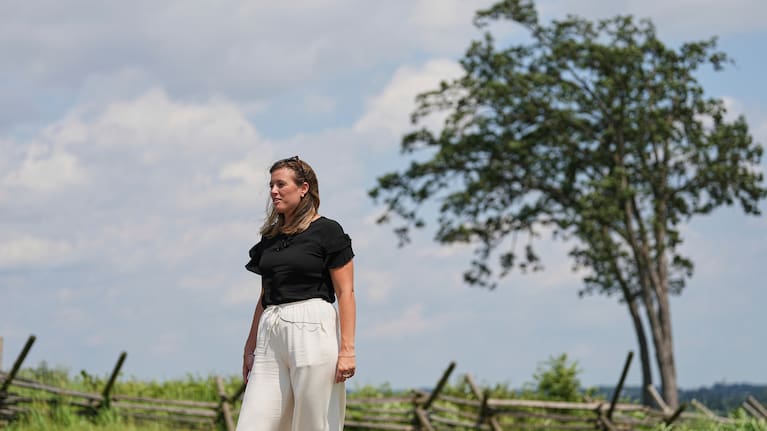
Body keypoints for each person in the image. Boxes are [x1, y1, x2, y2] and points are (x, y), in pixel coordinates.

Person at [235, 156, 356, 431]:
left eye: (281, 184)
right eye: (271, 185)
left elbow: (346, 292)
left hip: (312, 325)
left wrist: (347, 350)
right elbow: (265, 295)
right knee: (254, 422)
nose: (273, 191)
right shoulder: (271, 237)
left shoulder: (328, 231)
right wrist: (250, 345)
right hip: (271, 330)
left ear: (303, 188)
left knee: (313, 423)